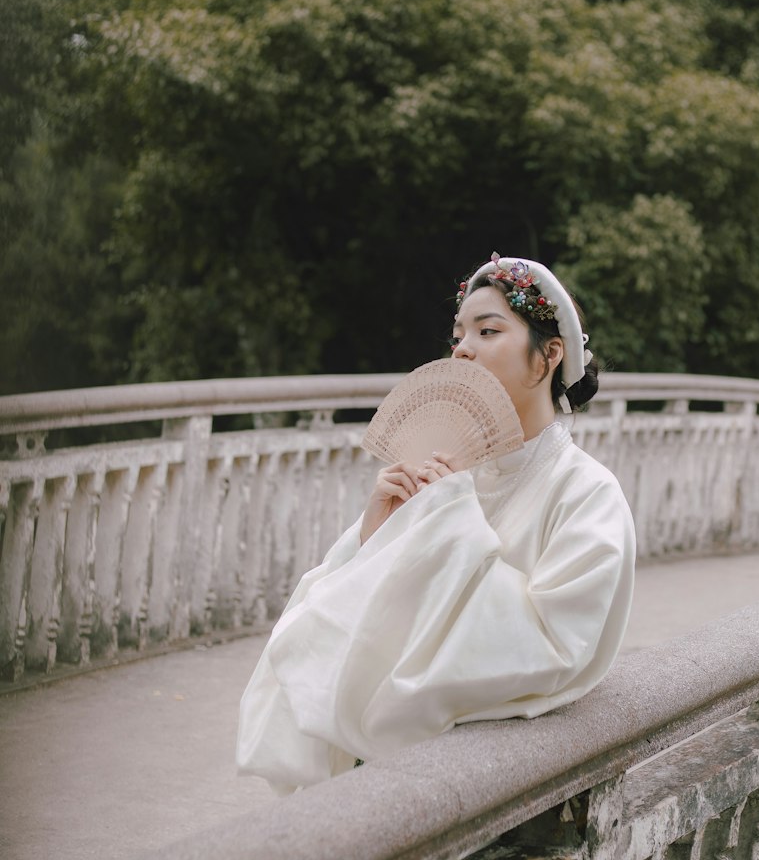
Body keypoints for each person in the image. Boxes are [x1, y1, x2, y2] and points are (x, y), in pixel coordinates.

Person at [236, 254, 636, 794]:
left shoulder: (588, 494)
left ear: (548, 357)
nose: (463, 348)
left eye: (488, 330)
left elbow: (556, 643)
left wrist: (448, 523)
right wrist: (374, 536)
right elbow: (333, 620)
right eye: (457, 335)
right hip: (387, 762)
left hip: (480, 777)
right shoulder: (446, 471)